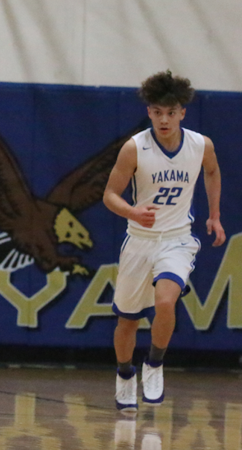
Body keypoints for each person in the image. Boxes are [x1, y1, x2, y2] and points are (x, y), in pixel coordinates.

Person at [103, 70, 225, 412]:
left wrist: (214, 215)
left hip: (177, 239)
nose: (164, 119)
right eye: (158, 112)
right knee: (127, 320)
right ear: (149, 112)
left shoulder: (201, 145)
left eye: (171, 112)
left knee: (166, 301)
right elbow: (110, 194)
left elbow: (213, 171)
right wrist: (132, 211)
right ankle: (125, 374)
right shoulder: (134, 148)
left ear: (183, 112)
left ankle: (154, 364)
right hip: (139, 241)